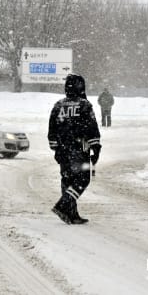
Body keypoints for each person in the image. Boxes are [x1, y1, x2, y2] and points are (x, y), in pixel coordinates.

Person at [48, 74, 101, 224]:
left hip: (63, 151)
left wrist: (56, 149)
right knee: (83, 179)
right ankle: (64, 205)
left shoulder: (58, 106)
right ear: (80, 87)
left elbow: (52, 130)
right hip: (79, 149)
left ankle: (71, 213)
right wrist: (96, 148)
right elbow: (91, 128)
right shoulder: (84, 105)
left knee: (67, 179)